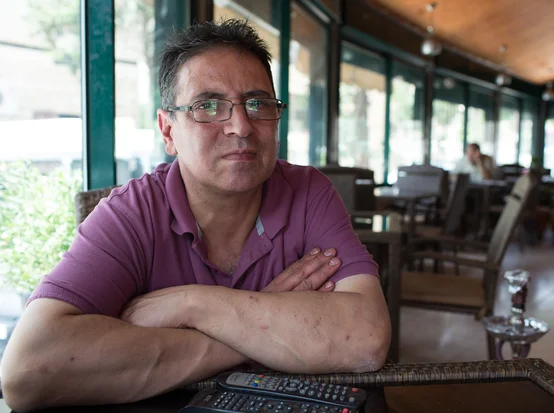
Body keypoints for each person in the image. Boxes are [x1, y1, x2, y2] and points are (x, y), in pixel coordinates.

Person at [0, 19, 390, 411]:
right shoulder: (132, 214)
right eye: (208, 106)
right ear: (168, 130)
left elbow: (366, 338)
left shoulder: (307, 193)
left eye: (257, 103)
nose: (241, 126)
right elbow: (27, 372)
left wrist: (192, 305)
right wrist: (255, 328)